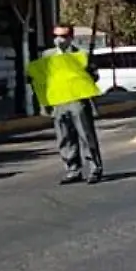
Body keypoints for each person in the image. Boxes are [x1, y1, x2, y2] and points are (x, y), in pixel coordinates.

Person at [44, 25, 104, 185]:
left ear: (70, 37)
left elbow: (94, 76)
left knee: (85, 135)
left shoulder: (81, 55)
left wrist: (86, 72)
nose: (59, 40)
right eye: (56, 36)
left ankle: (94, 168)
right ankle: (73, 169)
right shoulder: (47, 55)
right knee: (64, 137)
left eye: (63, 36)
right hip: (59, 101)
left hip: (77, 100)